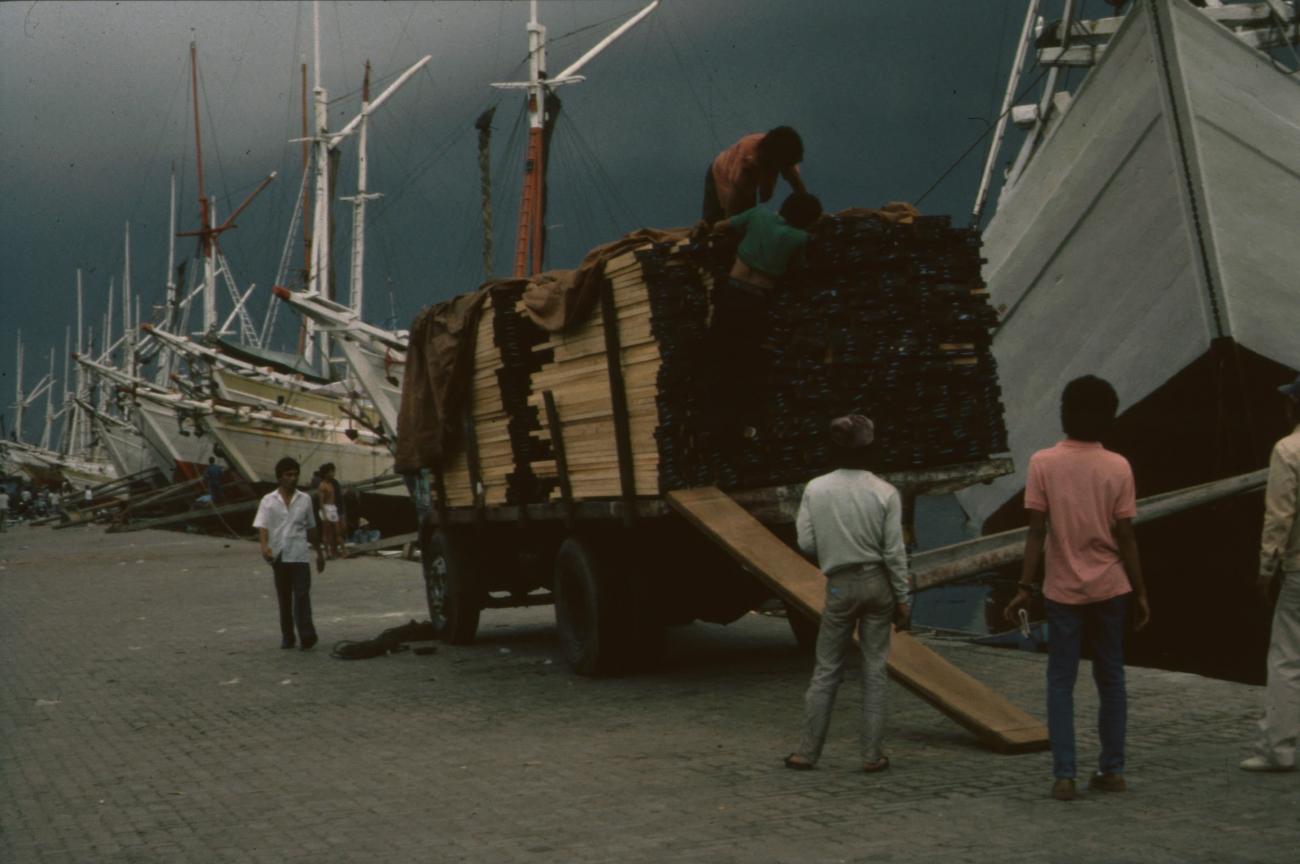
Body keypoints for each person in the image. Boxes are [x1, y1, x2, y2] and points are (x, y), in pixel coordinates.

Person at [1004, 375, 1150, 801]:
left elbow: (1035, 534)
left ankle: (1064, 774)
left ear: (1064, 413)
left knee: (1060, 682)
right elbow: (1126, 537)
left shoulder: (1042, 463)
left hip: (1062, 588)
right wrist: (1140, 591)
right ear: (1110, 417)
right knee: (1111, 678)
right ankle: (1112, 769)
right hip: (1111, 586)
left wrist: (1023, 586)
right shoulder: (1118, 466)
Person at [785, 414, 912, 773]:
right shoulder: (885, 492)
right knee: (874, 669)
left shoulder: (816, 489)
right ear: (871, 449)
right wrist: (903, 600)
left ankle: (806, 753)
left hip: (840, 584)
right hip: (878, 583)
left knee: (826, 669)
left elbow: (806, 542)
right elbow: (894, 553)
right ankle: (872, 755)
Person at [705, 191, 823, 451]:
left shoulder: (758, 215)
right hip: (756, 302)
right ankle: (737, 428)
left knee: (718, 358)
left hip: (730, 294)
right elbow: (799, 270)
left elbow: (720, 226)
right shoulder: (800, 238)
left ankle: (711, 425)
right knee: (744, 363)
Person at [1240, 374, 1300, 772]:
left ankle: (1278, 747)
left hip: (1299, 568)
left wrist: (1266, 566)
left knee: (1287, 657)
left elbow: (1279, 515)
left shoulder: (1287, 450)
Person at [253, 456, 326, 650]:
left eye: (295, 474)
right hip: (279, 555)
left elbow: (312, 527)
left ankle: (307, 635)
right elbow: (263, 525)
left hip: (300, 554)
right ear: (280, 477)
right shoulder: (268, 500)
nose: (292, 478)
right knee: (284, 597)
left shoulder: (305, 500)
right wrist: (263, 546)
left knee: (302, 595)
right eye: (288, 475)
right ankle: (287, 636)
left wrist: (319, 552)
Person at [703, 126, 807, 223]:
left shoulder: (785, 158)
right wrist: (730, 225)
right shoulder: (749, 160)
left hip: (750, 176)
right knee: (715, 219)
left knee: (747, 216)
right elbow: (734, 198)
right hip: (721, 172)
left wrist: (810, 212)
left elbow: (798, 186)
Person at [317, 462, 346, 560]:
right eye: (331, 472)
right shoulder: (322, 485)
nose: (333, 473)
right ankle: (328, 553)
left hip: (333, 508)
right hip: (326, 508)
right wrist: (324, 515)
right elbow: (321, 502)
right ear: (326, 473)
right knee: (326, 533)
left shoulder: (332, 484)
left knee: (338, 532)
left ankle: (343, 551)